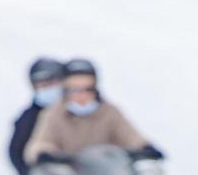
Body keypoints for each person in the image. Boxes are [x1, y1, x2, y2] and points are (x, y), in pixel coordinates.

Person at [23, 57, 162, 165]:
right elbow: (40, 143)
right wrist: (45, 154)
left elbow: (130, 137)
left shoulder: (109, 112)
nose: (81, 95)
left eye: (87, 89)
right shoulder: (53, 115)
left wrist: (145, 148)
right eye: (75, 89)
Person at [8, 57, 66, 175]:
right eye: (41, 85)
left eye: (51, 83)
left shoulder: (79, 110)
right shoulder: (29, 118)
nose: (46, 89)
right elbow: (16, 151)